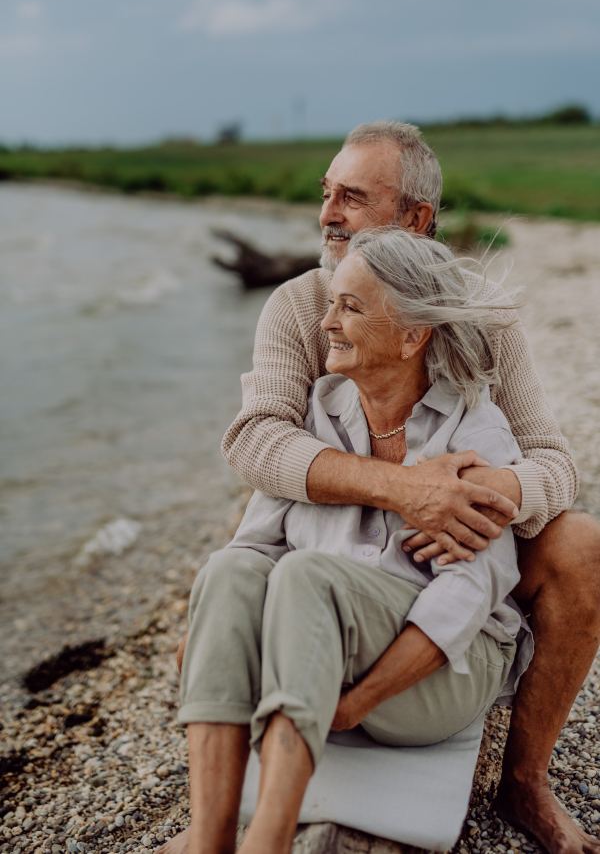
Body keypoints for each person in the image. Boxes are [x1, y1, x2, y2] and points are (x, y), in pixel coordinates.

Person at [218, 122, 600, 854]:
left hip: (449, 551)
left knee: (580, 541)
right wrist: (407, 489)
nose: (328, 214)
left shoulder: (482, 314)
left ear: (417, 219)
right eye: (326, 194)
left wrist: (487, 492)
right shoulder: (298, 307)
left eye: (353, 198)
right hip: (338, 546)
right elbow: (256, 441)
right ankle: (232, 795)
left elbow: (555, 461)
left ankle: (525, 781)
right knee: (244, 555)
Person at [175, 228, 534, 854]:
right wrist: (215, 635)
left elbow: (469, 596)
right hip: (325, 654)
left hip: (440, 674)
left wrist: (357, 703)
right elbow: (253, 547)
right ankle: (208, 839)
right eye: (330, 303)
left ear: (411, 335)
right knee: (227, 573)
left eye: (350, 307)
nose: (327, 324)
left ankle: (267, 840)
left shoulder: (475, 432)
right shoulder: (322, 410)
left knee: (304, 575)